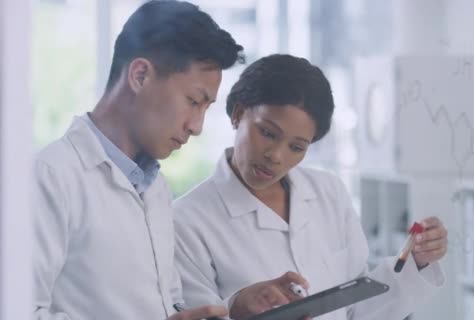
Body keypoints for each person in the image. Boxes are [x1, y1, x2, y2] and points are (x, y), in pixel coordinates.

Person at [33, 2, 307, 319]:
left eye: (205, 108)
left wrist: (235, 308)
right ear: (140, 75)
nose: (197, 126)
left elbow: (170, 302)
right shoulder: (49, 177)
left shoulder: (154, 187)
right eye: (194, 101)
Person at [173, 54, 448, 320]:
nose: (276, 156)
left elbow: (357, 310)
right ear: (238, 114)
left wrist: (417, 261)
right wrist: (239, 308)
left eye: (296, 147)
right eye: (267, 133)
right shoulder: (187, 221)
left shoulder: (329, 192)